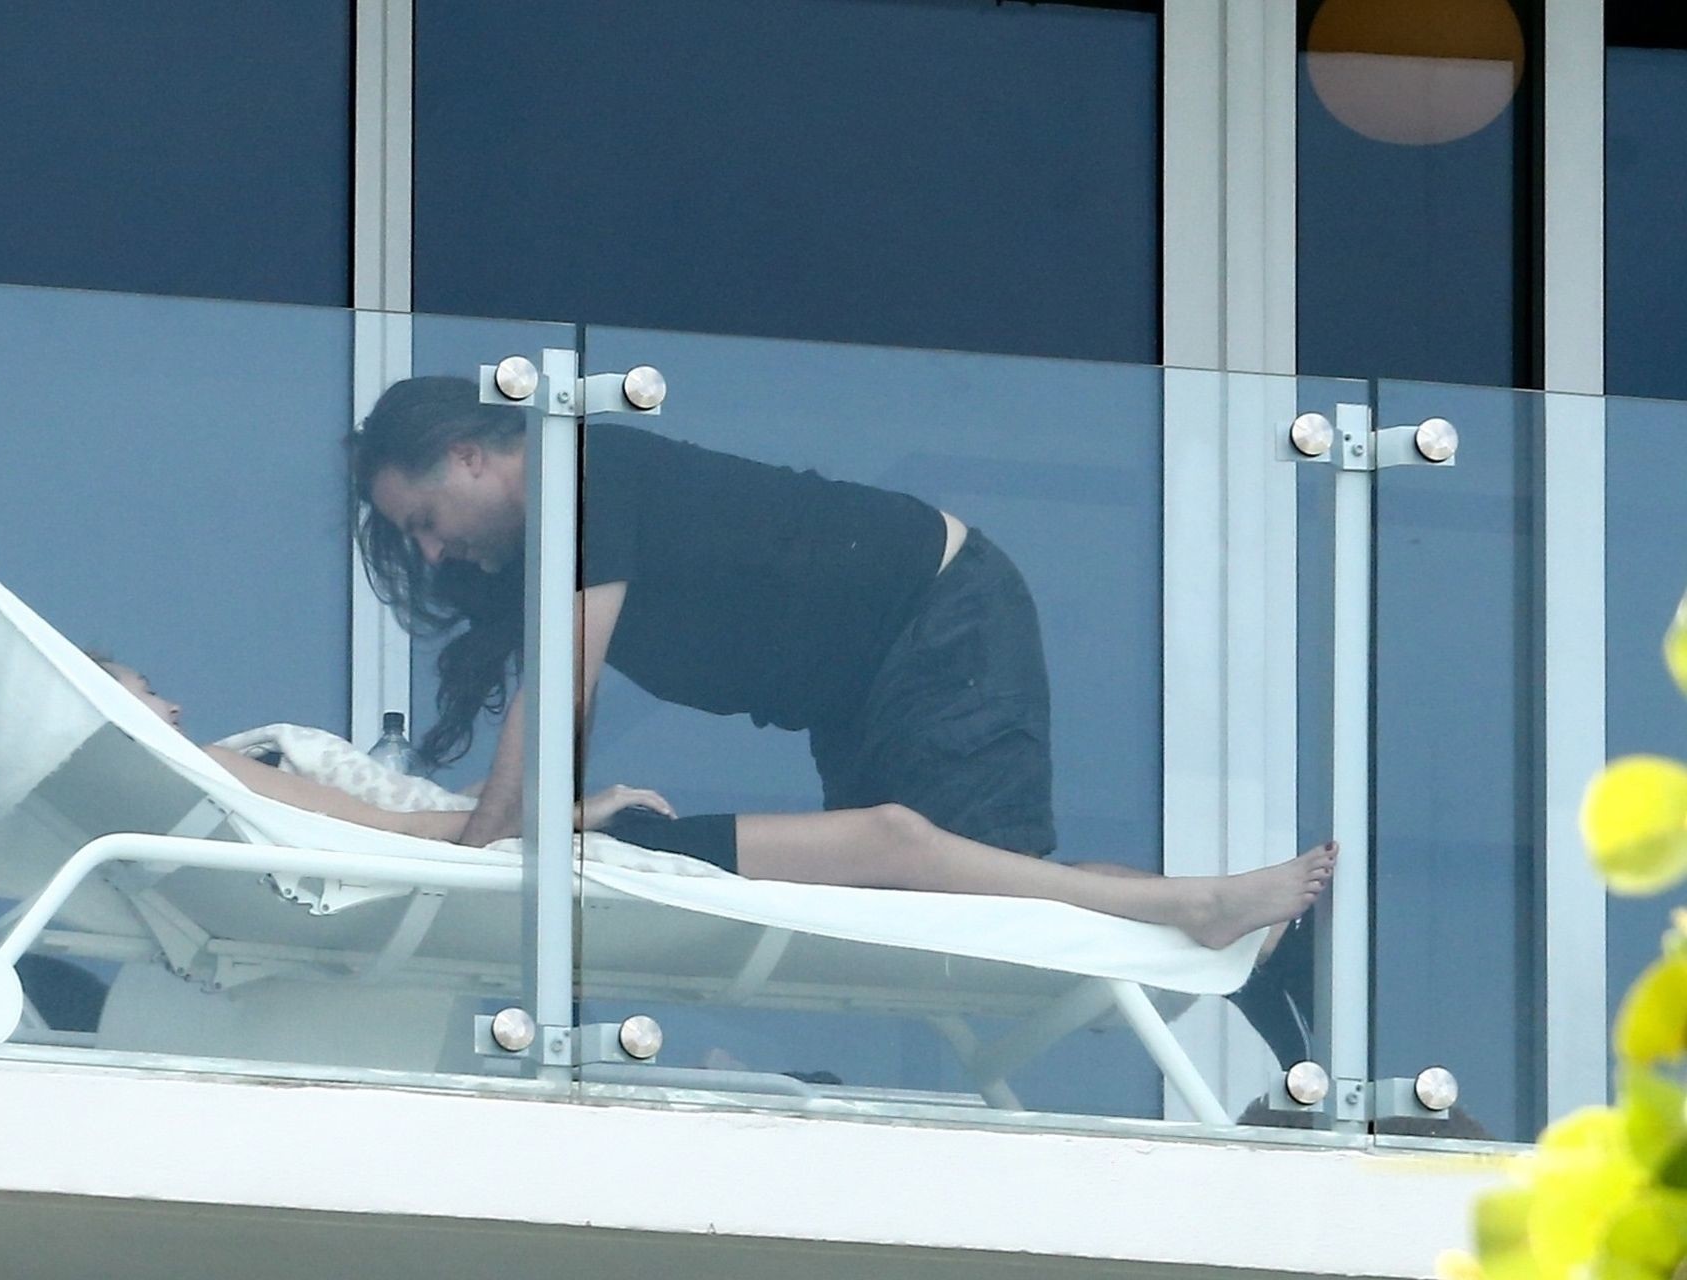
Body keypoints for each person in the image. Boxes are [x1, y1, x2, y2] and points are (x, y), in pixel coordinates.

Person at [346, 376, 1336, 949]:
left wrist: (473, 869)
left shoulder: (584, 472)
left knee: (974, 889)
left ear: (470, 455)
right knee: (953, 888)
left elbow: (561, 700)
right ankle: (1220, 927)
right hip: (863, 680)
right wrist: (522, 824)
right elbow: (553, 729)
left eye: (423, 519)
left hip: (933, 613)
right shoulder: (555, 536)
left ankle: (1208, 911)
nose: (429, 553)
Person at [94, 659, 674, 842]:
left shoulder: (185, 805)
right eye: (148, 691)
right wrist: (574, 818)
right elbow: (391, 827)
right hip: (512, 845)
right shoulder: (215, 769)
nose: (175, 706)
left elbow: (418, 811)